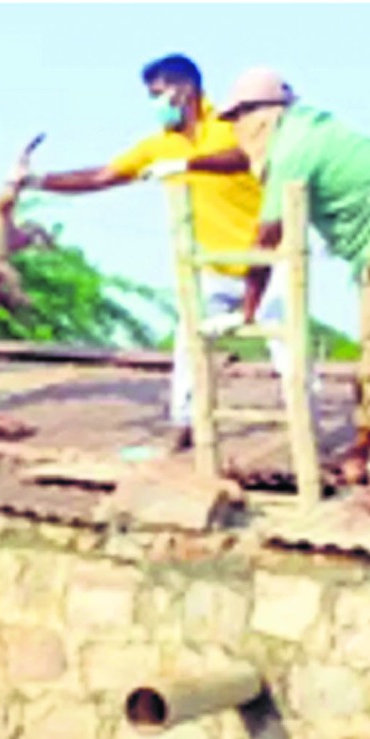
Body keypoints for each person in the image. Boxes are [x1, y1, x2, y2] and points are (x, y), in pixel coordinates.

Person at [173, 66, 370, 514]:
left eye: (237, 120)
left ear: (258, 114)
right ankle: (362, 454)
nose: (237, 131)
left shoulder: (289, 151)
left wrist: (248, 309)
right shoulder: (306, 130)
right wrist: (188, 164)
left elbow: (267, 239)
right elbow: (240, 162)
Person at [22, 54, 281, 453]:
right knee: (189, 342)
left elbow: (247, 155)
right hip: (212, 266)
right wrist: (39, 181)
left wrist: (188, 163)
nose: (155, 104)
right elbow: (103, 176)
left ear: (184, 90)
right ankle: (185, 424)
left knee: (289, 349)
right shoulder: (159, 145)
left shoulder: (229, 124)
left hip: (268, 259)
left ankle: (307, 427)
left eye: (158, 94)